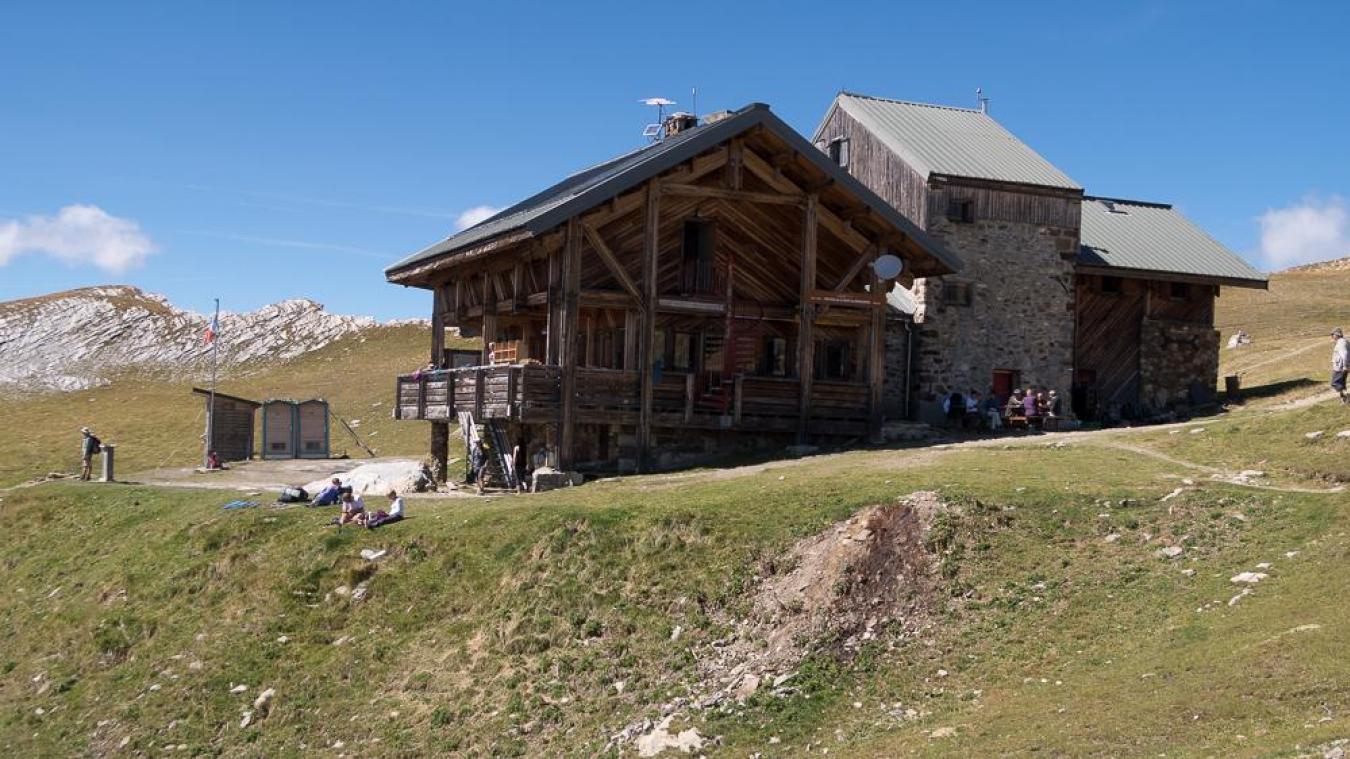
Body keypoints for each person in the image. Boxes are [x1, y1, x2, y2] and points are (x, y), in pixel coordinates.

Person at [1332, 327, 1349, 404]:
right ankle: (1344, 398)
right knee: (1341, 383)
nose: (1332, 336)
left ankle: (1345, 398)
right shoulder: (1343, 341)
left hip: (1341, 367)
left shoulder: (1341, 342)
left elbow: (1344, 354)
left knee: (1335, 383)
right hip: (1342, 366)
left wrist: (1345, 366)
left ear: (1337, 334)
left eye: (1333, 334)